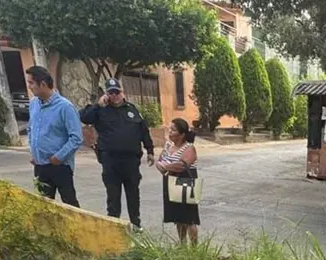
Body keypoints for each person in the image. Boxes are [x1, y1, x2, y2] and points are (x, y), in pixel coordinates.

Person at [80, 78, 155, 229]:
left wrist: (150, 150)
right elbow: (84, 117)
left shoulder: (132, 109)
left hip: (131, 161)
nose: (114, 95)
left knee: (133, 194)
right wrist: (97, 105)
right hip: (110, 161)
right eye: (111, 92)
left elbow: (143, 131)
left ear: (122, 92)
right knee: (113, 196)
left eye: (117, 92)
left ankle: (136, 224)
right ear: (106, 94)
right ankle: (113, 227)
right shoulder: (100, 110)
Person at [26, 66, 82, 206]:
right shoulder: (34, 104)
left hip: (60, 166)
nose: (29, 87)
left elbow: (76, 138)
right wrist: (34, 152)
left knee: (69, 206)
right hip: (40, 166)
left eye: (32, 83)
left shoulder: (65, 107)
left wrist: (59, 157)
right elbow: (31, 129)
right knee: (43, 206)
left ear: (43, 84)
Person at [156, 118, 201, 244]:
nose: (170, 132)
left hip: (185, 182)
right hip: (170, 182)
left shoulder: (189, 148)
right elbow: (159, 161)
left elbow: (182, 165)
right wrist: (163, 166)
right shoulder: (168, 146)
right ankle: (182, 244)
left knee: (190, 218)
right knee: (178, 217)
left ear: (182, 134)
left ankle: (194, 249)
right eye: (170, 129)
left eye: (173, 130)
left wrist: (165, 167)